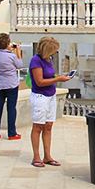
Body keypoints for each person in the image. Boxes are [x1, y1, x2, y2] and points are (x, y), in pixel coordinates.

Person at [28, 36, 70, 167]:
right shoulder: (36, 61)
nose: (55, 53)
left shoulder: (48, 59)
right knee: (38, 127)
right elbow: (39, 82)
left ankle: (47, 156)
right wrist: (58, 80)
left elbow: (49, 76)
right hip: (40, 97)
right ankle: (36, 156)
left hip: (51, 95)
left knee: (48, 126)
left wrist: (58, 77)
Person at [0, 33, 23, 140]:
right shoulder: (11, 56)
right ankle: (12, 133)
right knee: (11, 108)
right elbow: (20, 65)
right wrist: (17, 51)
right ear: (7, 43)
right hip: (11, 84)